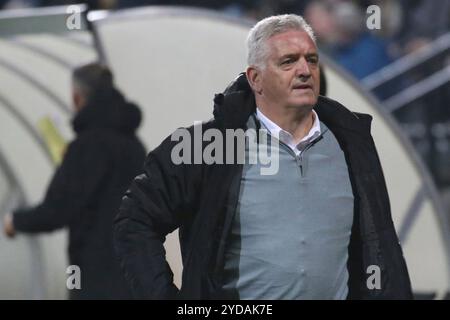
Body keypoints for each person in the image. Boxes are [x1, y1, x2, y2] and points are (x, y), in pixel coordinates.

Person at [113, 14, 413, 299]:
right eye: (288, 61)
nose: (305, 70)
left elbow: (380, 243)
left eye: (311, 59)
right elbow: (135, 220)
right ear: (255, 79)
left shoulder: (351, 142)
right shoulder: (208, 145)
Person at [3, 63, 146, 299]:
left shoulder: (87, 146)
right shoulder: (135, 147)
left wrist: (15, 221)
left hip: (94, 280)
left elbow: (58, 209)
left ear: (77, 98)